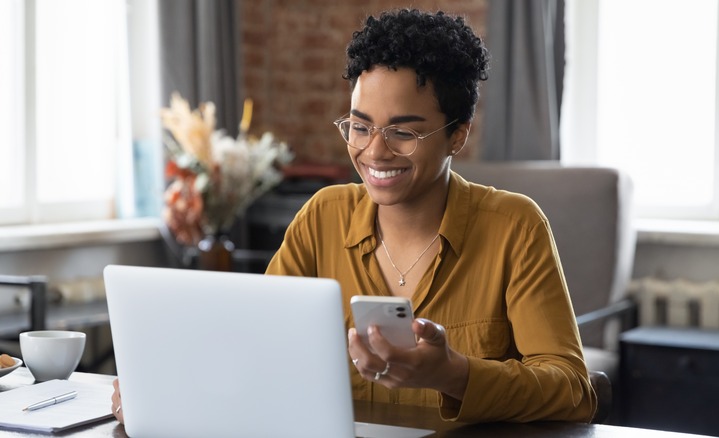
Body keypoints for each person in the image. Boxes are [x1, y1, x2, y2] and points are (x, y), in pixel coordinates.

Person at [113, 8, 596, 424]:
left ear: (458, 135)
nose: (374, 152)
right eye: (360, 127)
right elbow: (255, 346)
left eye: (403, 133)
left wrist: (454, 374)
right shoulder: (323, 217)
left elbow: (575, 391)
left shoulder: (514, 227)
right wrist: (164, 385)